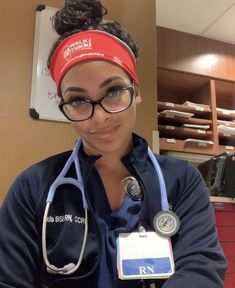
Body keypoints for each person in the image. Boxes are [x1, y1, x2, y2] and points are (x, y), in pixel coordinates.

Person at [0, 0, 227, 287]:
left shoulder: (182, 182)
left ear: (136, 91)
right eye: (78, 100)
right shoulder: (32, 188)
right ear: (64, 104)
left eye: (113, 91)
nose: (100, 117)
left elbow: (201, 270)